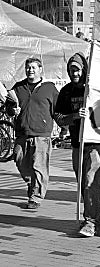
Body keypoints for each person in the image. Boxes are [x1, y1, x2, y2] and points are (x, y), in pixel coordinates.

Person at [54, 52, 100, 237]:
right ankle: (96, 213)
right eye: (70, 70)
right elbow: (58, 117)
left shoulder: (94, 88)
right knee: (83, 182)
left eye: (76, 69)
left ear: (84, 69)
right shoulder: (66, 91)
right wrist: (74, 116)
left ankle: (90, 221)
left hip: (95, 143)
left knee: (91, 181)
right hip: (77, 144)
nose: (74, 73)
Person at [7, 57, 59, 209]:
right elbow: (9, 107)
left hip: (41, 134)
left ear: (40, 69)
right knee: (19, 159)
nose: (30, 70)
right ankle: (31, 183)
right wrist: (12, 110)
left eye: (33, 67)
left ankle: (36, 197)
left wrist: (64, 128)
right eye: (28, 67)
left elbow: (57, 110)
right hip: (22, 132)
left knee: (39, 166)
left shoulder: (49, 88)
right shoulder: (18, 87)